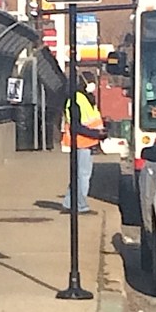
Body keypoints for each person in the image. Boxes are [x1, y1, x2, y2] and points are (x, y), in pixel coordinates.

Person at [60, 75, 107, 214]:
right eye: (92, 81)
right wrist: (96, 134)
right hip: (81, 143)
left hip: (87, 142)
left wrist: (100, 132)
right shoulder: (76, 100)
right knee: (82, 176)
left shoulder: (85, 99)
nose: (93, 85)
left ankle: (69, 203)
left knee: (79, 175)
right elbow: (76, 126)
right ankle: (80, 206)